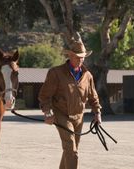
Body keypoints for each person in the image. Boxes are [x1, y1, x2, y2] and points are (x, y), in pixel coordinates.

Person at [38, 39, 102, 169]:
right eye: (78, 57)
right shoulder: (55, 73)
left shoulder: (87, 75)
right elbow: (44, 96)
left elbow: (93, 96)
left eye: (83, 57)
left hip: (79, 117)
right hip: (61, 115)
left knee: (70, 150)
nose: (81, 60)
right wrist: (48, 112)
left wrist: (97, 113)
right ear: (70, 56)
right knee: (72, 151)